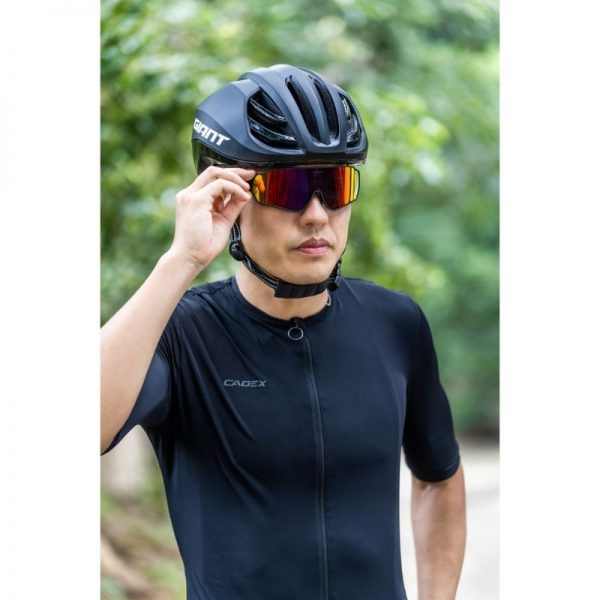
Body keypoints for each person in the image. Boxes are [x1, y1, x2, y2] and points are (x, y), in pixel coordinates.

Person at [101, 64, 466, 600]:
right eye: (287, 187)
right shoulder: (180, 334)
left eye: (335, 185)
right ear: (226, 197)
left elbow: (439, 476)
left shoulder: (396, 322)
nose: (317, 214)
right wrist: (181, 260)